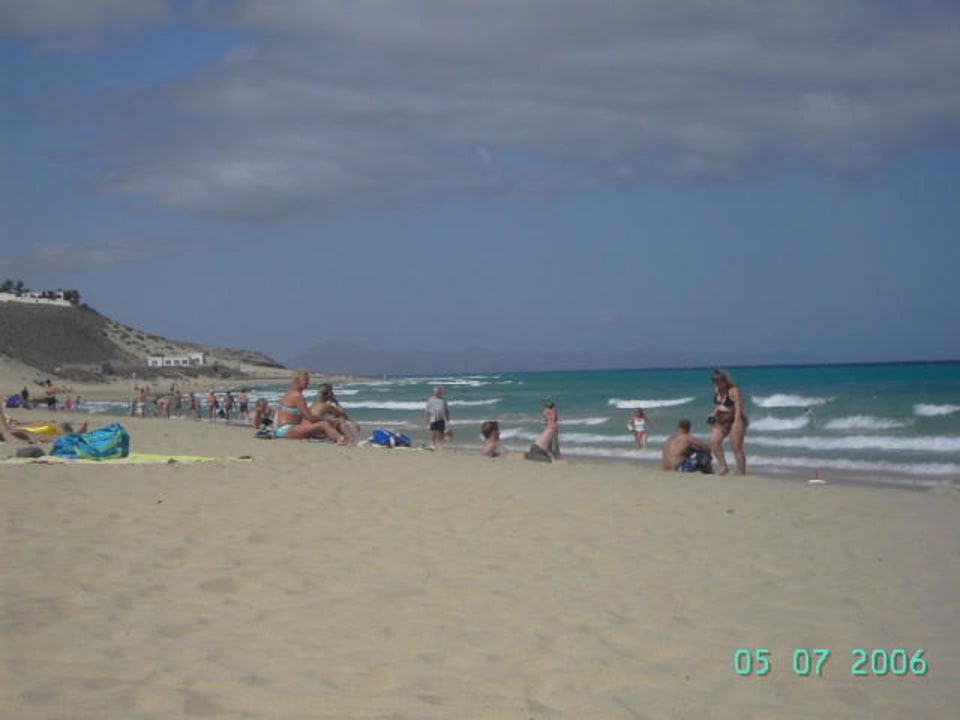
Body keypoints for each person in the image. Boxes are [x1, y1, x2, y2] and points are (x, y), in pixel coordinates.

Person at [275, 370, 348, 443]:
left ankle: (342, 438)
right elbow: (310, 417)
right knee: (324, 424)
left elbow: (305, 417)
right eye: (305, 380)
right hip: (286, 430)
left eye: (308, 380)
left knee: (322, 425)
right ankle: (342, 440)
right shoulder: (298, 396)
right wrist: (330, 420)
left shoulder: (290, 392)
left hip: (284, 428)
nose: (308, 383)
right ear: (297, 381)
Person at [707, 368, 748, 475]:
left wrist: (737, 422)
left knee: (736, 447)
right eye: (715, 382)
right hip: (721, 420)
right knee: (713, 442)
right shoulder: (717, 390)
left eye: (719, 382)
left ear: (725, 381)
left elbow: (739, 407)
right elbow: (719, 405)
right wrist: (713, 414)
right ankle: (723, 466)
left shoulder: (734, 390)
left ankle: (741, 471)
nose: (717, 385)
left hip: (735, 419)